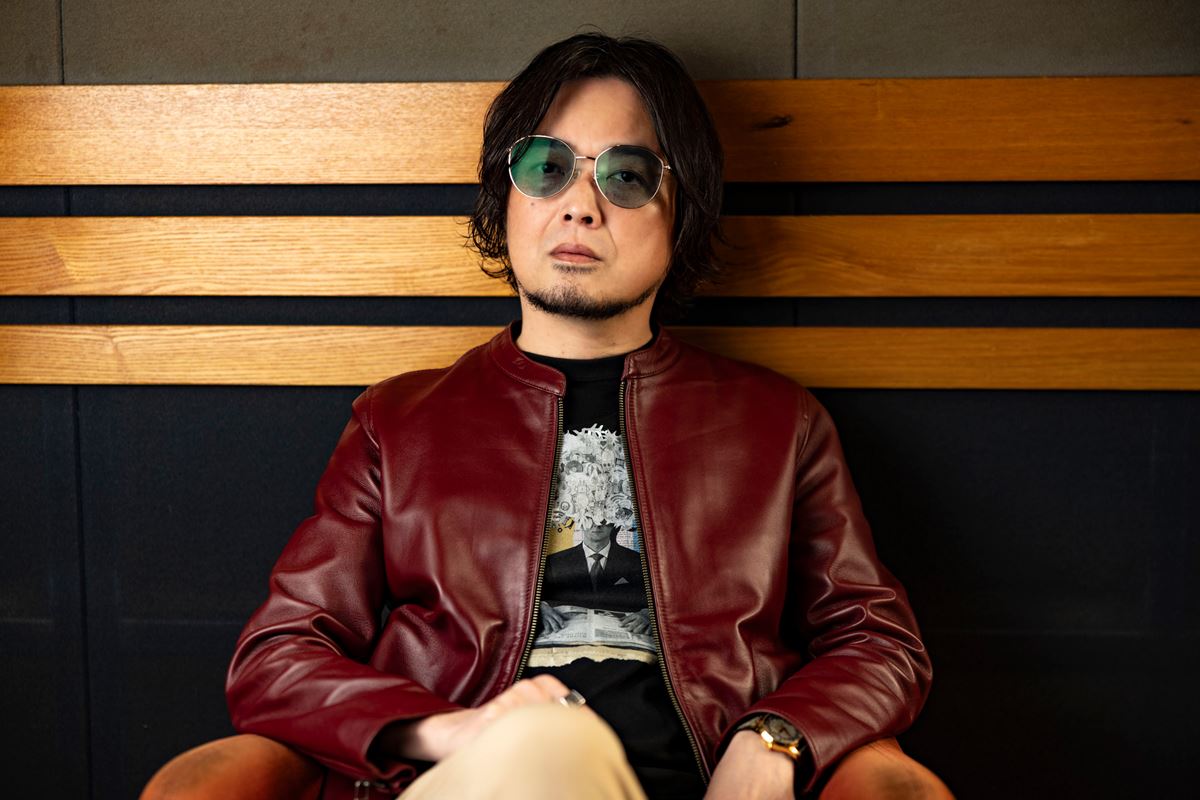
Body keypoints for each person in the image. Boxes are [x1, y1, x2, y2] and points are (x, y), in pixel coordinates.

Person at [225, 33, 938, 800]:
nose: (579, 206)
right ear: (505, 197)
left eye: (626, 176)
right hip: (472, 780)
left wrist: (774, 737)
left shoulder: (778, 424)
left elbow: (879, 643)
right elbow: (277, 655)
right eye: (547, 167)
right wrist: (447, 730)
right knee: (548, 739)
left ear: (682, 213)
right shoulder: (396, 424)